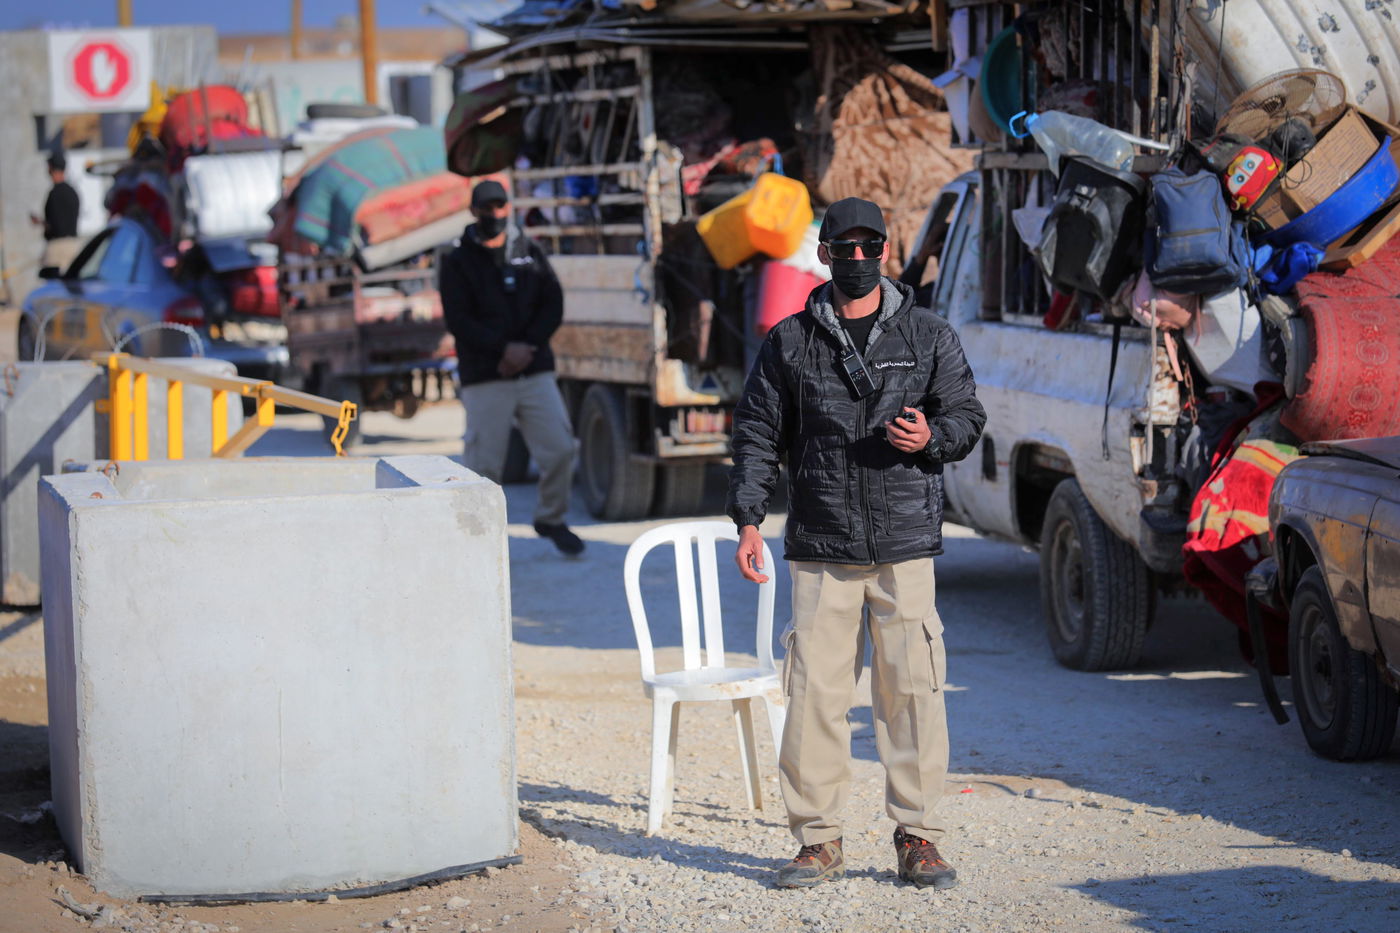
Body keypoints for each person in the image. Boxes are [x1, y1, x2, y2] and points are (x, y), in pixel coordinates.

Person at [726, 197, 986, 889]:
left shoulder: (929, 334)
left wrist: (932, 438)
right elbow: (756, 433)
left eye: (869, 244)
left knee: (913, 693)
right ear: (825, 254)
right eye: (844, 246)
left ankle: (919, 836)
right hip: (821, 543)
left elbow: (966, 414)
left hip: (904, 544)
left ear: (886, 249)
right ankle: (818, 839)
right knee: (814, 694)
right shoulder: (788, 341)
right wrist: (748, 518)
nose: (857, 257)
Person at [440, 179, 584, 556]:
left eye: (500, 206)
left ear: (509, 207)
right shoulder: (457, 259)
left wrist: (528, 346)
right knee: (483, 465)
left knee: (560, 450)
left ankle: (551, 518)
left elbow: (552, 302)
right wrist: (503, 349)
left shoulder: (529, 250)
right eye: (486, 208)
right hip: (487, 375)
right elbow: (459, 319)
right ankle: (477, 542)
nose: (494, 214)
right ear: (473, 211)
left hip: (533, 369)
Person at [30, 151, 82, 275]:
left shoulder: (54, 194)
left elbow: (55, 226)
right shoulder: (73, 192)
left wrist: (40, 222)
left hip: (57, 249)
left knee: (54, 291)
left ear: (51, 168)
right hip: (74, 246)